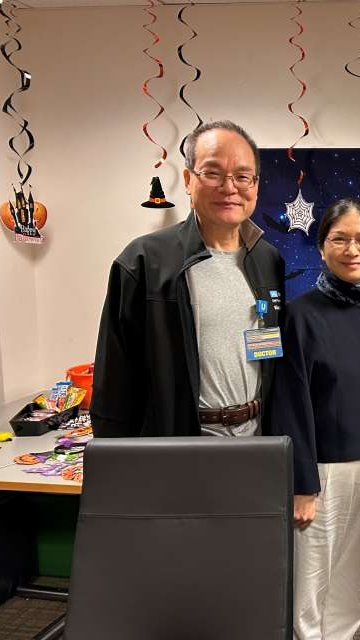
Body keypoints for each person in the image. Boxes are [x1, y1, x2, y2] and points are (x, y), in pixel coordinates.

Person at [91, 121, 285, 437]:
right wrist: (117, 464)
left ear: (256, 185)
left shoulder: (267, 259)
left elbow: (271, 351)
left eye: (243, 176)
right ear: (188, 180)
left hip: (258, 440)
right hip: (178, 443)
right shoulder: (145, 261)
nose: (230, 187)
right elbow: (114, 378)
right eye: (213, 173)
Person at [273, 198, 360, 640]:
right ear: (322, 248)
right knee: (312, 579)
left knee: (354, 575)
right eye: (339, 239)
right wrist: (302, 484)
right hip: (323, 472)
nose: (353, 250)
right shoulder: (300, 315)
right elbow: (290, 403)